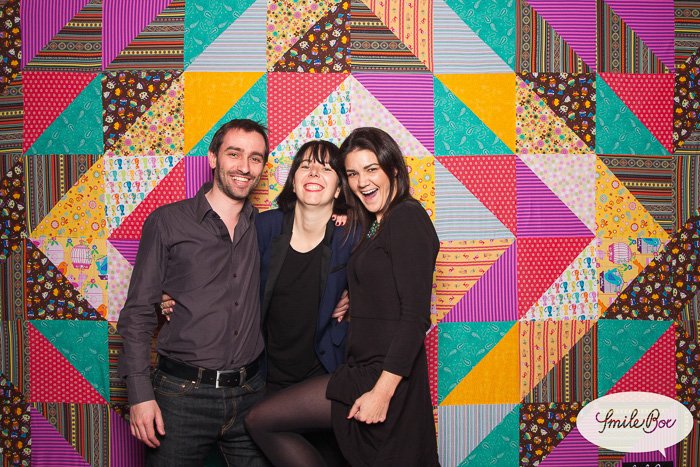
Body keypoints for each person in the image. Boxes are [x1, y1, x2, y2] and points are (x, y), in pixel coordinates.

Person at [244, 127, 440, 466]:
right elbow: (374, 278)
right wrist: (353, 293)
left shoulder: (407, 217)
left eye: (371, 169)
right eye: (352, 173)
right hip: (361, 366)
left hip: (381, 373)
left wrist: (382, 392)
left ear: (393, 169)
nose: (362, 181)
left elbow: (414, 317)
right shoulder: (374, 223)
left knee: (262, 421)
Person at [160, 140, 356, 465]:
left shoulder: (351, 234)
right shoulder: (264, 227)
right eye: (305, 165)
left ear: (338, 188)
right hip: (267, 379)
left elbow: (384, 281)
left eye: (326, 168)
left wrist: (355, 298)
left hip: (325, 375)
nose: (314, 172)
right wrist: (169, 294)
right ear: (293, 179)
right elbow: (217, 264)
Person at [117, 119, 271, 466]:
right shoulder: (168, 222)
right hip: (181, 397)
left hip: (251, 395)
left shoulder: (265, 227)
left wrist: (346, 290)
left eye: (256, 158)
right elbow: (138, 312)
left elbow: (312, 239)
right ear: (213, 158)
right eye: (234, 154)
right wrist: (139, 395)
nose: (245, 167)